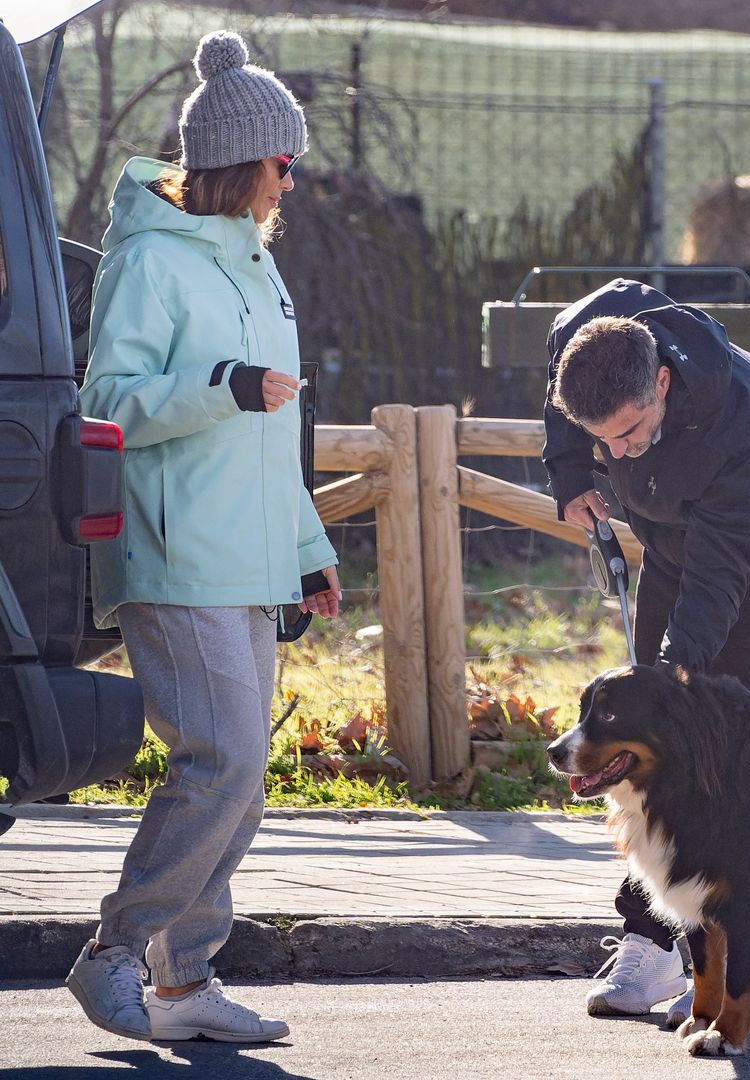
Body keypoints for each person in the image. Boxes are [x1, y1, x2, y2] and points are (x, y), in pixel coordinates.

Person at [66, 30, 341, 1043]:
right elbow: (110, 403)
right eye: (287, 163)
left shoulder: (259, 272)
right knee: (219, 765)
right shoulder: (150, 260)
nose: (293, 183)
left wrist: (307, 551)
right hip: (175, 557)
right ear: (247, 161)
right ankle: (114, 956)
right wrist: (219, 388)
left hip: (248, 559)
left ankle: (182, 986)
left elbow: (273, 443)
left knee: (241, 781)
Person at [542, 277, 750, 1019]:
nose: (618, 449)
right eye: (601, 438)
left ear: (664, 382)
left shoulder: (739, 422)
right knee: (643, 741)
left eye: (630, 432)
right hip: (672, 538)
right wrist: (572, 471)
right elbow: (564, 417)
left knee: (736, 749)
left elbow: (724, 568)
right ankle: (650, 948)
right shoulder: (585, 342)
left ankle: (734, 968)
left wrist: (680, 666)